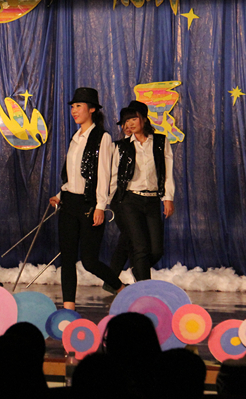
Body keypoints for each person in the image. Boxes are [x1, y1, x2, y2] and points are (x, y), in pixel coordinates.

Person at [48, 88, 122, 309]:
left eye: (78, 106)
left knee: (89, 261)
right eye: (72, 106)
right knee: (67, 258)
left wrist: (100, 206)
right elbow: (72, 174)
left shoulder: (102, 137)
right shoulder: (75, 137)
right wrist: (60, 194)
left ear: (92, 109)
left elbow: (104, 174)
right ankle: (68, 307)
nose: (74, 110)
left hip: (89, 205)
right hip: (69, 203)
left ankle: (120, 288)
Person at [109, 102, 174, 283]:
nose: (129, 124)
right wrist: (106, 202)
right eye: (126, 121)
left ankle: (137, 267)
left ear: (144, 119)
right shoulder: (121, 146)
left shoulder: (160, 142)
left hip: (152, 200)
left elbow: (167, 172)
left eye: (133, 119)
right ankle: (144, 289)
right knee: (140, 247)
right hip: (129, 201)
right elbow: (114, 176)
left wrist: (168, 198)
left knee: (156, 250)